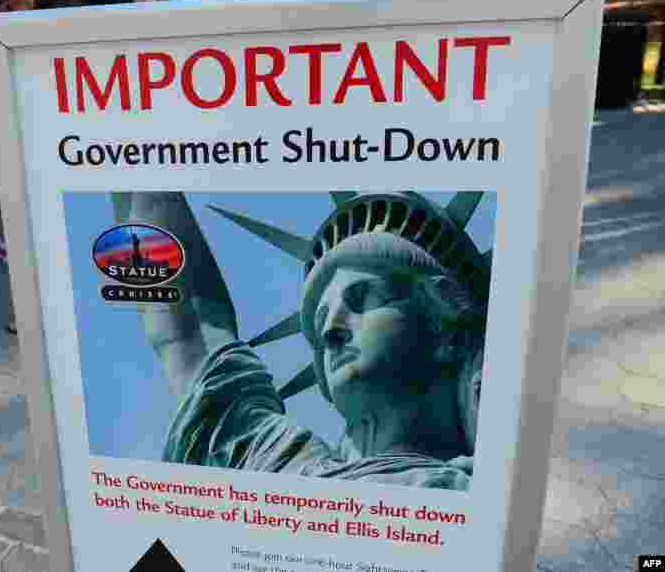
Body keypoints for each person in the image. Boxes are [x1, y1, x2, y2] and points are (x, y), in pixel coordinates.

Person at [110, 191, 488, 489]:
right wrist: (128, 147)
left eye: (362, 299)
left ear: (446, 327)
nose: (330, 330)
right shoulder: (279, 468)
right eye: (320, 318)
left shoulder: (501, 503)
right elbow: (189, 331)